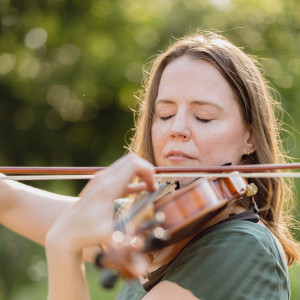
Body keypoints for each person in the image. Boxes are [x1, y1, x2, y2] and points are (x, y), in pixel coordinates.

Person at [0, 31, 299, 299]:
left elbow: (64, 236)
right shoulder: (150, 224)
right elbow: (10, 202)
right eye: (165, 114)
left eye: (204, 116)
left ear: (249, 137)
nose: (176, 129)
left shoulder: (244, 249)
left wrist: (63, 247)